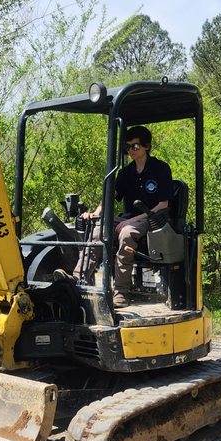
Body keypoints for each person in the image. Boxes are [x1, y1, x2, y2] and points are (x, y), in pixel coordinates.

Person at [55, 126, 173, 308]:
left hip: (153, 219)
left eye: (135, 146)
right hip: (128, 218)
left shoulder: (160, 169)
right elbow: (110, 197)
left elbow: (162, 205)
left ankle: (121, 292)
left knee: (126, 233)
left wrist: (131, 221)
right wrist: (96, 213)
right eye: (128, 146)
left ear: (147, 146)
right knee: (97, 231)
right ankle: (77, 280)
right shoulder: (126, 173)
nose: (131, 150)